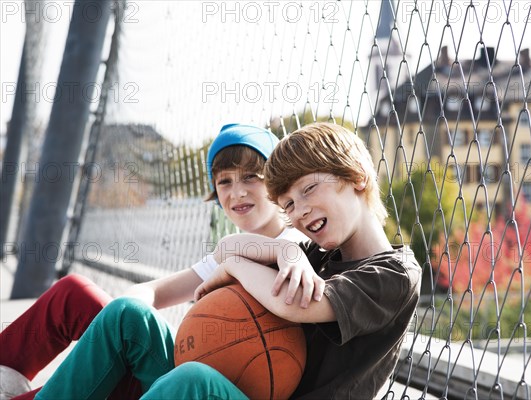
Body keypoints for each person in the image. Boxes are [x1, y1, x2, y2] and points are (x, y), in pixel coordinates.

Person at [1, 123, 321, 400]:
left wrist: (286, 251)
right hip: (184, 363)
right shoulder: (228, 253)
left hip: (212, 386)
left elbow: (292, 246)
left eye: (251, 177)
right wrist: (108, 335)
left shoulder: (292, 245)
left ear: (275, 185)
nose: (236, 192)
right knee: (77, 294)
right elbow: (151, 292)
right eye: (225, 181)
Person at [136, 122, 423, 399]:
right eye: (288, 205)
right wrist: (286, 252)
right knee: (128, 317)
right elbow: (226, 248)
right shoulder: (316, 254)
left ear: (357, 177)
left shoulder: (396, 274)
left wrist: (235, 266)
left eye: (308, 189)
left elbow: (296, 303)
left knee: (193, 381)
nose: (301, 210)